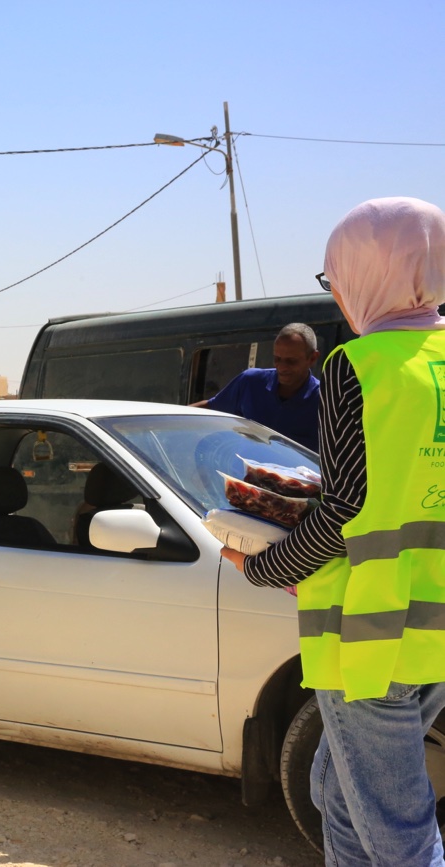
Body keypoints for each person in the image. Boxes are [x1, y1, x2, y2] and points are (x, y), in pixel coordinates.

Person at [223, 197, 445, 865]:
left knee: (399, 832)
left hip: (371, 631)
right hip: (434, 624)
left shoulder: (359, 364)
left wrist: (266, 565)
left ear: (368, 272)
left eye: (336, 277)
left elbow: (347, 507)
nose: (339, 294)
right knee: (334, 790)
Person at [191, 322, 322, 450]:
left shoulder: (324, 401)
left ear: (312, 358)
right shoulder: (250, 382)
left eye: (291, 361)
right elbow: (210, 409)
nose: (282, 367)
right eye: (277, 359)